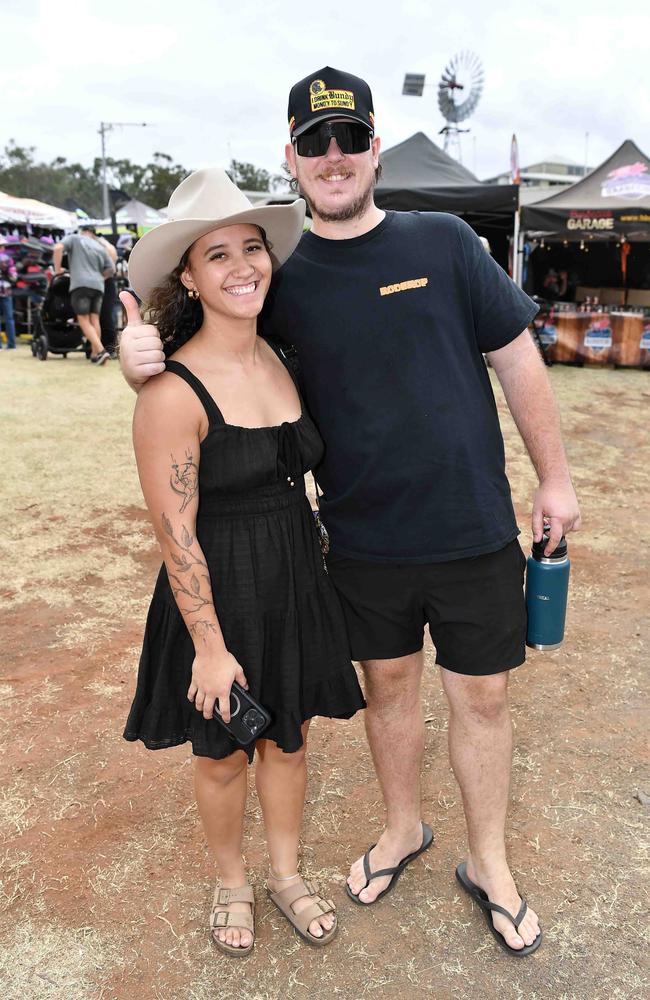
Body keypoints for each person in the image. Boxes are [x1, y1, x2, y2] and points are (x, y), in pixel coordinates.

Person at [119, 67, 582, 957]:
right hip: (360, 542)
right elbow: (205, 359)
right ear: (290, 159)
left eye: (350, 139)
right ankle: (403, 828)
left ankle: (490, 860)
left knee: (482, 699)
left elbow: (517, 358)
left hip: (473, 527)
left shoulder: (445, 241)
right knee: (390, 692)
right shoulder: (280, 275)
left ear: (373, 147)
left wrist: (553, 478)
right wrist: (140, 356)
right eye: (314, 143)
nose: (334, 157)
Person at [121, 167, 365, 956]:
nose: (241, 267)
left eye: (252, 248)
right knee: (224, 753)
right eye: (216, 254)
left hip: (294, 577)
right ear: (188, 277)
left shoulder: (284, 356)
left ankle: (287, 875)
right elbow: (176, 536)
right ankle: (232, 882)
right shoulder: (170, 392)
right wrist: (211, 647)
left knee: (288, 739)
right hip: (218, 591)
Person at [52, 224, 115, 365]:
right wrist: (98, 278)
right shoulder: (100, 247)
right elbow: (111, 269)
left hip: (80, 285)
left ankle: (100, 350)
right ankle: (95, 355)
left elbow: (57, 248)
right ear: (93, 233)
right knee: (95, 320)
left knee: (84, 320)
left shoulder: (75, 238)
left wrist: (57, 270)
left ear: (82, 231)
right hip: (99, 286)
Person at [0, 235, 17, 349]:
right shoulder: (8, 259)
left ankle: (4, 345)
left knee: (9, 318)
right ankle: (11, 344)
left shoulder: (7, 259)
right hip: (6, 291)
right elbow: (14, 277)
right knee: (9, 318)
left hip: (5, 290)